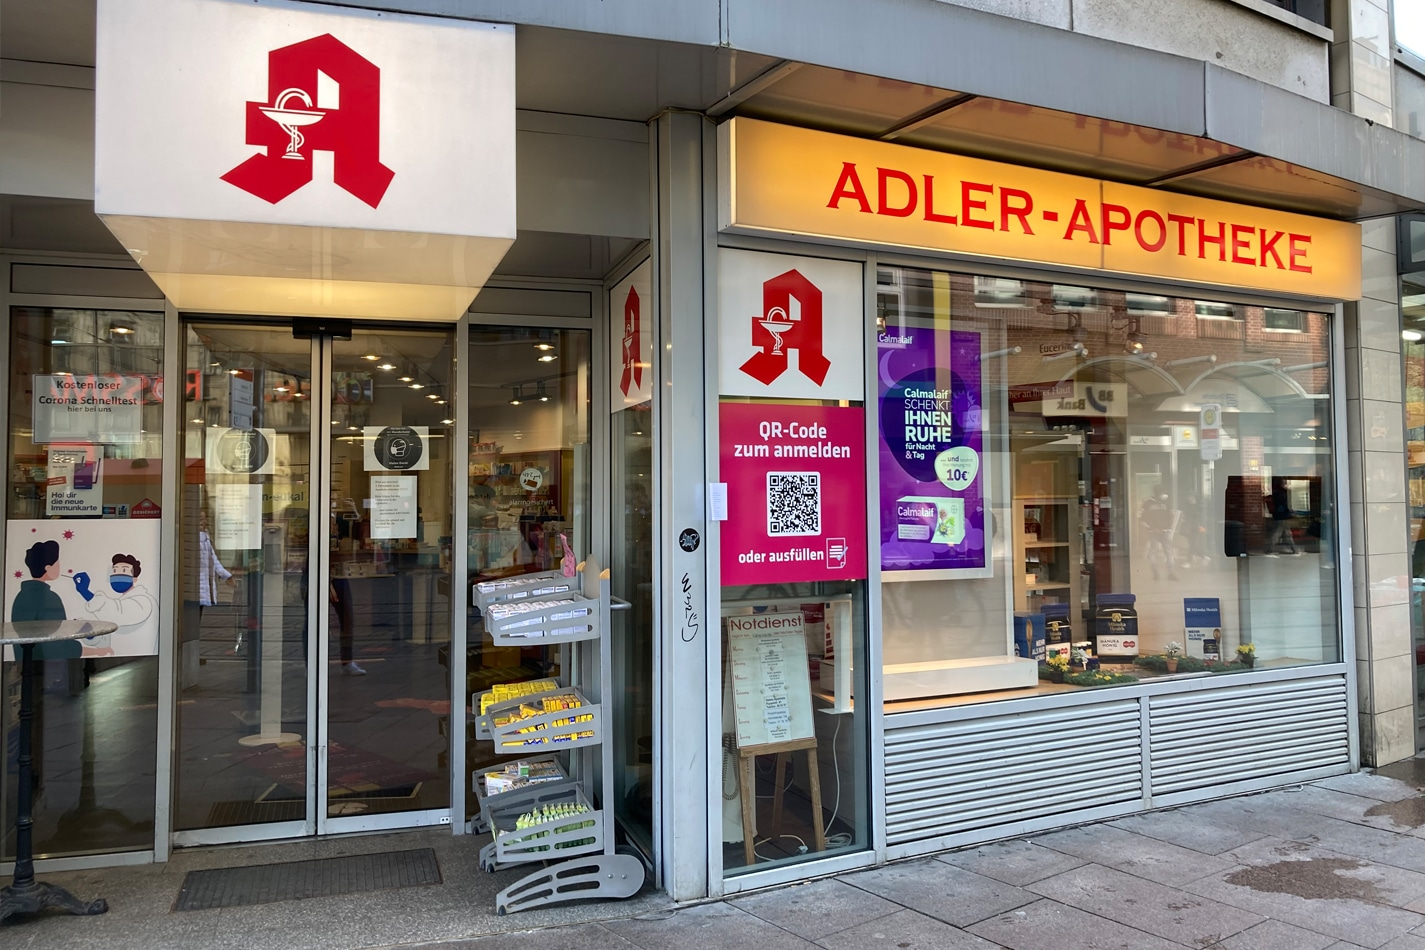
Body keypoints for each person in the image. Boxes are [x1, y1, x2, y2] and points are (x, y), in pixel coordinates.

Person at [12, 540, 67, 622]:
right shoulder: (51, 598)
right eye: (57, 565)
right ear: (48, 568)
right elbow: (59, 626)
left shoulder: (21, 595)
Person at [1139, 490, 1178, 581]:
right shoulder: (1166, 503)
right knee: (1168, 552)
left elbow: (1142, 518)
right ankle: (1170, 573)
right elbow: (1170, 516)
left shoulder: (1147, 503)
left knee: (1154, 552)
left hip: (1154, 531)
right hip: (1163, 531)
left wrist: (1151, 527)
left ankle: (1156, 573)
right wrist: (1168, 528)